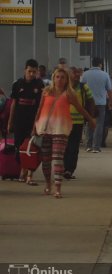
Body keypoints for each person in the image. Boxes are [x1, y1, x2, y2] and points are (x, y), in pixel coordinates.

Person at [32, 68, 95, 198]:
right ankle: (48, 184)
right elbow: (39, 108)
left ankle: (58, 188)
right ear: (54, 78)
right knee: (45, 160)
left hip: (61, 129)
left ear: (67, 80)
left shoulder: (69, 94)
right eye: (57, 77)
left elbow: (80, 108)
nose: (60, 80)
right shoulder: (46, 91)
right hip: (45, 129)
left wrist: (90, 120)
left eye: (62, 77)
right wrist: (35, 125)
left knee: (57, 159)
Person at [8, 59, 44, 184]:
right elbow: (13, 104)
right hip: (19, 120)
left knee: (32, 147)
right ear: (25, 70)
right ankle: (22, 169)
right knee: (19, 147)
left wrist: (38, 123)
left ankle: (29, 174)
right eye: (29, 71)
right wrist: (10, 122)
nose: (32, 74)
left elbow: (41, 105)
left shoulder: (39, 85)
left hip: (33, 121)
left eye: (34, 72)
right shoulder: (17, 84)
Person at [62, 67, 95, 180]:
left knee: (74, 147)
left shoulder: (83, 87)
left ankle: (69, 170)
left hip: (78, 122)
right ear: (69, 74)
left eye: (78, 73)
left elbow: (91, 100)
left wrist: (90, 117)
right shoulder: (63, 87)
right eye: (74, 73)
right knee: (64, 147)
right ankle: (64, 168)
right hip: (64, 122)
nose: (76, 75)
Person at [81, 57, 112, 153]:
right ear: (101, 64)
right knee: (99, 125)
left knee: (88, 124)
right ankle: (96, 147)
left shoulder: (85, 74)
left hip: (88, 104)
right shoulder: (105, 75)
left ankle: (88, 145)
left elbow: (81, 89)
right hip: (100, 104)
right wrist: (111, 102)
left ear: (92, 64)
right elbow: (109, 90)